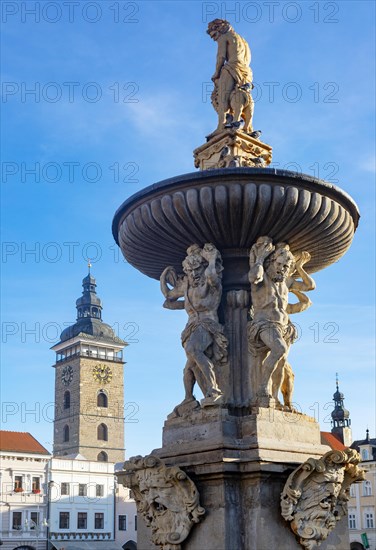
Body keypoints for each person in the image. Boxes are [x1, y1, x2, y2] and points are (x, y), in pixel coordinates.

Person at [248, 237, 315, 402]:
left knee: (281, 362)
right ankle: (262, 388)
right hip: (264, 324)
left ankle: (275, 397)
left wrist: (299, 267)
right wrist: (260, 259)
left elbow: (310, 286)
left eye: (286, 266)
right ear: (272, 262)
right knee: (279, 349)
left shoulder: (286, 281)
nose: (282, 269)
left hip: (284, 327)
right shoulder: (262, 277)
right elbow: (253, 277)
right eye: (279, 265)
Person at [161, 244, 227, 408]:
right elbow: (168, 298)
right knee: (189, 368)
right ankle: (189, 398)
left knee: (193, 350)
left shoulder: (211, 282)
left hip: (208, 324)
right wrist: (163, 277)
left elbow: (212, 275)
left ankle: (214, 389)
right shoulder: (187, 285)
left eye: (197, 269)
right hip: (191, 327)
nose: (193, 274)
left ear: (203, 268)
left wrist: (211, 260)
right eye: (190, 271)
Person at [207, 19, 254, 134]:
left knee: (222, 97)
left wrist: (217, 73)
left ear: (219, 28)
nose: (213, 38)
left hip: (231, 68)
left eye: (213, 34)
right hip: (246, 71)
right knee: (242, 97)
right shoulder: (243, 41)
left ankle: (221, 126)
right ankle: (245, 126)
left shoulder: (224, 36)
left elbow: (221, 57)